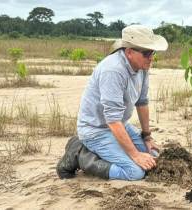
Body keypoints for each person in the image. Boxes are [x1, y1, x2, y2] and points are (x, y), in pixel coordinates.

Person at [56, 25, 168, 180]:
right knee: (135, 172)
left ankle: (108, 151)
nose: (151, 57)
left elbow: (142, 102)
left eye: (152, 52)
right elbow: (112, 120)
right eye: (146, 53)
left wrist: (147, 137)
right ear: (129, 52)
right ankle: (81, 154)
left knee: (153, 156)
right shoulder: (113, 71)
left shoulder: (142, 66)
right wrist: (135, 155)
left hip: (119, 124)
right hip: (96, 129)